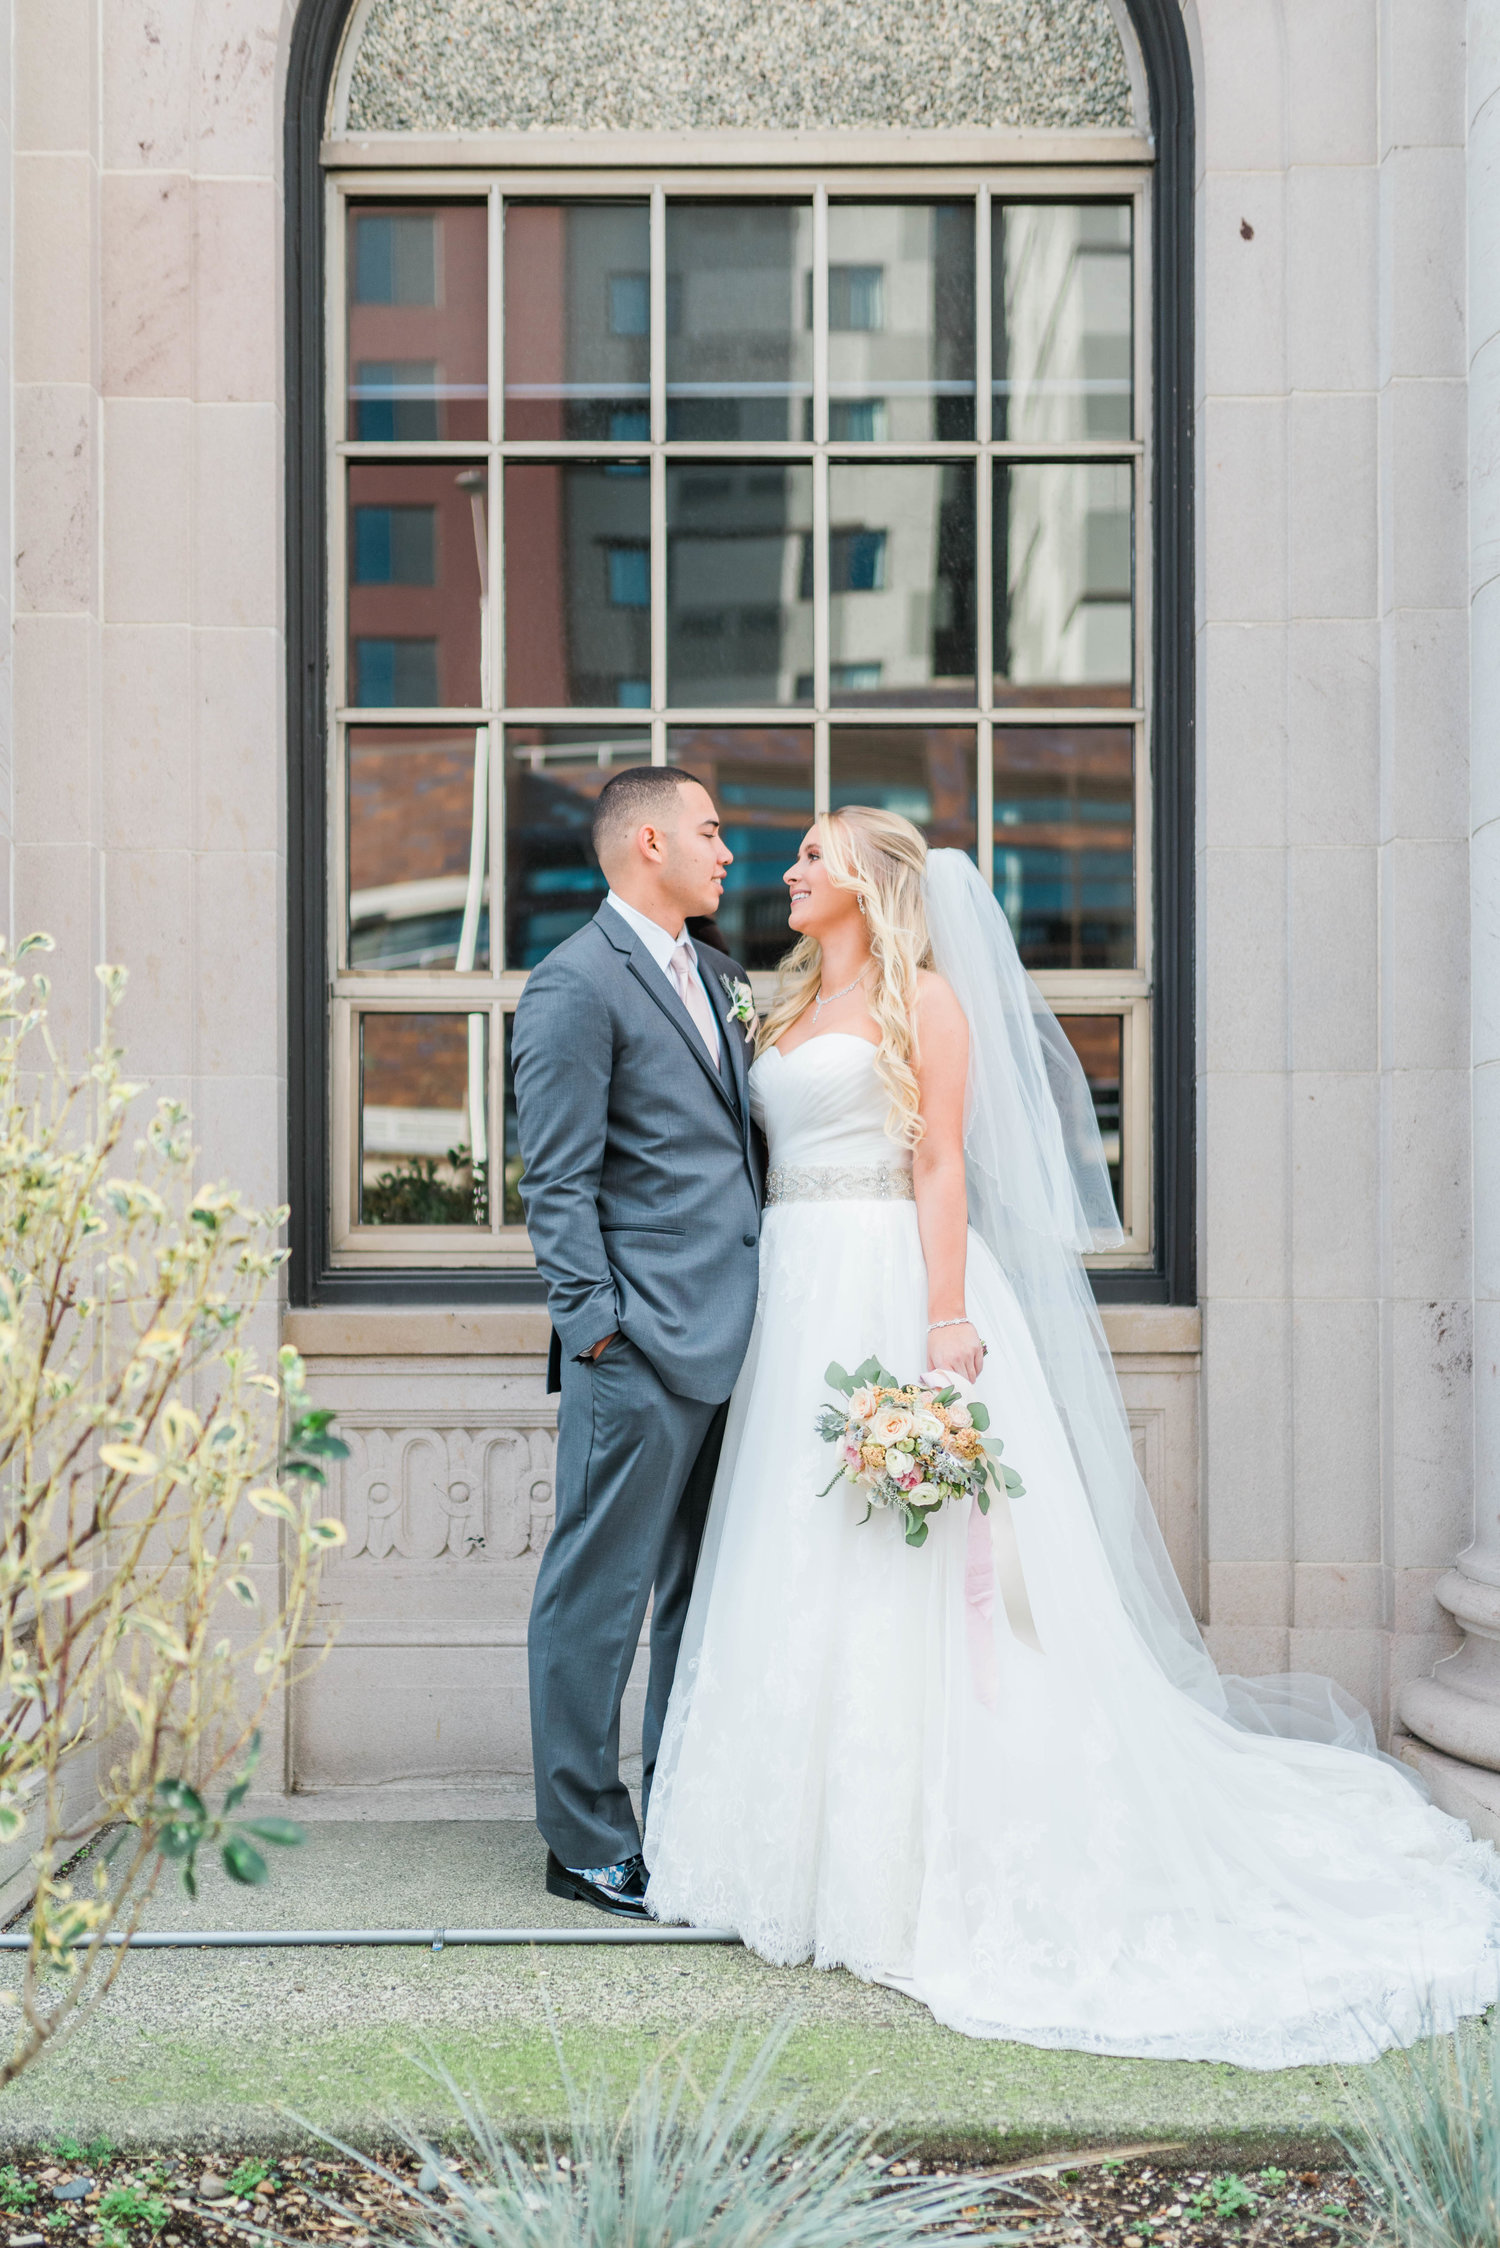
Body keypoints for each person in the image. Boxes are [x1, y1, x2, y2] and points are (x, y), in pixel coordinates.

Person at [643, 805, 1500, 2066]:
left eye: (814, 854)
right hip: (791, 1290)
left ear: (869, 880)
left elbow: (939, 1165)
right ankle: (798, 1837)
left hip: (887, 1280)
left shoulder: (929, 1000)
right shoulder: (780, 1003)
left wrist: (944, 1319)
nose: (789, 868)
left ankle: (912, 1851)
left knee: (905, 1555)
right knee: (799, 1542)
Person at [511, 766, 762, 1920]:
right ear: (649, 841)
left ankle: (679, 1819)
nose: (727, 850)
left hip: (742, 1343)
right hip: (640, 1350)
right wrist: (599, 1333)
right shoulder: (574, 982)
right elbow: (556, 1183)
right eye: (710, 830)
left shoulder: (723, 977)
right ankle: (583, 1840)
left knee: (699, 1603)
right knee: (596, 1599)